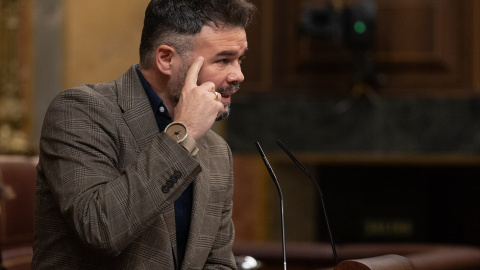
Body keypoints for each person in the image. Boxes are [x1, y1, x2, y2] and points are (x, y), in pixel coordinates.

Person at [32, 0, 255, 269]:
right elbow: (101, 230)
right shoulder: (81, 111)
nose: (238, 75)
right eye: (223, 60)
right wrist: (183, 135)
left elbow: (219, 262)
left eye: (239, 59)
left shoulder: (216, 149)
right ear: (166, 59)